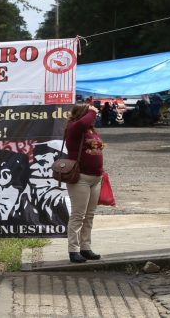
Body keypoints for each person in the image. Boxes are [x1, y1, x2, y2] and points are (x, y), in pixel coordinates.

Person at [64, 103, 105, 263]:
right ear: (83, 114)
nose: (93, 117)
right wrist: (92, 111)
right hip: (80, 177)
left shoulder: (90, 130)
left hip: (95, 177)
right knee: (78, 215)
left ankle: (85, 247)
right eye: (89, 114)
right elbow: (82, 122)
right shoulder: (74, 128)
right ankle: (73, 250)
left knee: (89, 215)